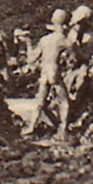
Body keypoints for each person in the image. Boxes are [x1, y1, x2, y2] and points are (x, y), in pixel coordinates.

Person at [20, 8, 71, 139]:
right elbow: (76, 55)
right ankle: (63, 129)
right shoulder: (62, 39)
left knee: (40, 101)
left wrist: (28, 43)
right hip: (54, 71)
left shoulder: (44, 39)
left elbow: (30, 59)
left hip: (44, 72)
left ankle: (31, 127)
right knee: (64, 102)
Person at [65, 4, 93, 105]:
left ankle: (76, 101)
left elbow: (85, 58)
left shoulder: (90, 38)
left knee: (82, 75)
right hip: (69, 65)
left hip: (81, 65)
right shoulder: (72, 34)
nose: (76, 27)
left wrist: (75, 49)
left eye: (79, 24)